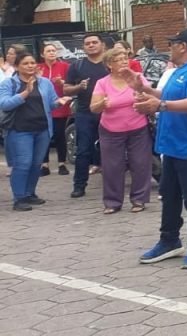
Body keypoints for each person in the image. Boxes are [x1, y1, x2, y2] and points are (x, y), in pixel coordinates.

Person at [134, 28, 187, 269]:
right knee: (169, 196)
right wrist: (146, 91)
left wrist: (160, 105)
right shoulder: (180, 71)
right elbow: (169, 95)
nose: (169, 48)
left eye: (173, 44)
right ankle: (169, 240)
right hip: (174, 146)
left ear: (183, 46)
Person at [90, 48, 153, 214]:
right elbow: (93, 108)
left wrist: (143, 97)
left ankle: (139, 200)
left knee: (140, 163)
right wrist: (102, 104)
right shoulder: (102, 83)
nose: (124, 61)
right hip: (110, 130)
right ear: (109, 65)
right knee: (112, 166)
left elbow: (151, 96)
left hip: (138, 128)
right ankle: (112, 202)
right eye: (119, 59)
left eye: (125, 58)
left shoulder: (138, 78)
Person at [1, 50, 62, 211]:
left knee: (36, 164)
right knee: (23, 164)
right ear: (17, 66)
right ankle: (19, 198)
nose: (30, 66)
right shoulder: (9, 83)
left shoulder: (44, 82)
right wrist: (26, 92)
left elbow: (52, 103)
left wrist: (60, 102)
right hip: (19, 131)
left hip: (42, 129)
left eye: (32, 63)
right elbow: (4, 104)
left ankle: (29, 193)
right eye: (25, 63)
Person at [65, 33, 109, 199]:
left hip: (109, 111)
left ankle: (113, 184)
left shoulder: (109, 64)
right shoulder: (77, 66)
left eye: (94, 42)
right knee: (83, 150)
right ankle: (79, 185)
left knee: (111, 149)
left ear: (102, 45)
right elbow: (66, 89)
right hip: (85, 113)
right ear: (83, 47)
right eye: (87, 43)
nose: (91, 45)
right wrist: (79, 87)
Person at [38, 43, 71, 177]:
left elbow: (71, 84)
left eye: (53, 50)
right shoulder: (38, 68)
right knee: (44, 136)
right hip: (42, 108)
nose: (52, 53)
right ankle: (44, 164)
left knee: (59, 135)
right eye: (48, 51)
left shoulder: (65, 66)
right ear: (42, 54)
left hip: (59, 106)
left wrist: (62, 83)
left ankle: (62, 163)